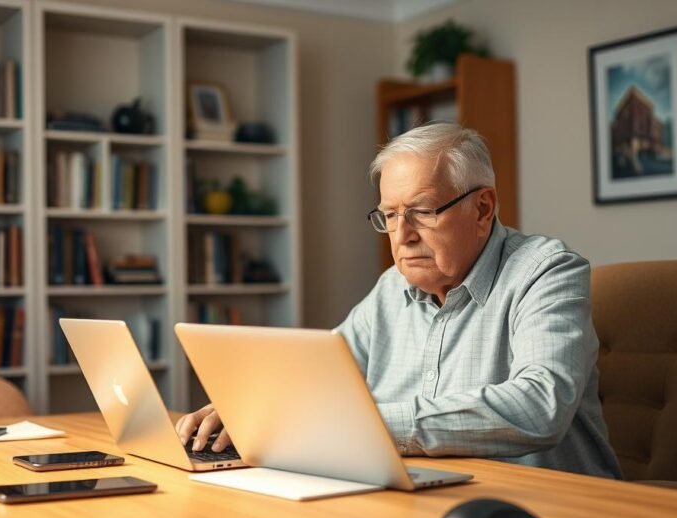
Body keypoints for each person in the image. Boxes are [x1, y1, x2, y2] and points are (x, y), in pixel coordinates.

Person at [176, 122, 622, 479]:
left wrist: (362, 423)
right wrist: (252, 407)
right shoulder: (393, 288)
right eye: (390, 215)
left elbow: (540, 405)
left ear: (483, 209)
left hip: (553, 514)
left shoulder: (546, 270)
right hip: (420, 499)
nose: (403, 235)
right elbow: (319, 382)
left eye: (423, 211)